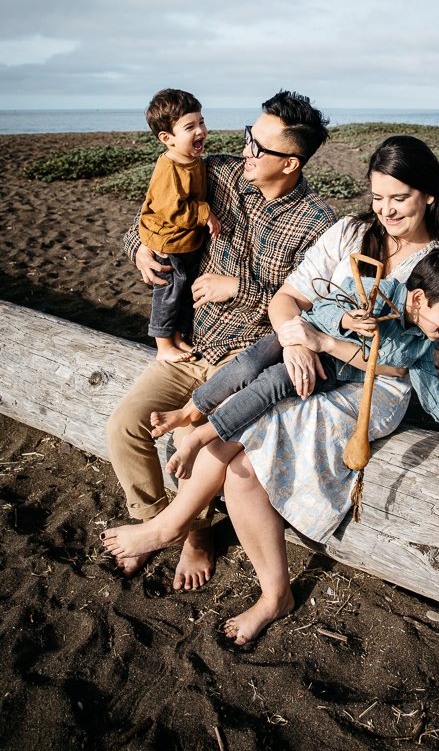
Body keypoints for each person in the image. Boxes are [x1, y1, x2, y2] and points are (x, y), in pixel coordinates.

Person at [103, 134, 439, 641]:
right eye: (378, 197)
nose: (386, 209)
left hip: (372, 386)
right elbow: (290, 299)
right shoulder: (352, 233)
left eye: (399, 198)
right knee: (242, 437)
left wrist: (324, 345)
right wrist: (296, 342)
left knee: (243, 456)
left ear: (429, 196)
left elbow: (407, 367)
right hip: (314, 355)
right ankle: (211, 548)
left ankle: (226, 562)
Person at [106, 91, 336, 590]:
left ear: (290, 162)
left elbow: (313, 312)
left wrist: (242, 288)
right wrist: (140, 249)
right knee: (124, 427)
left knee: (195, 441)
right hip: (193, 345)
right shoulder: (226, 173)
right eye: (248, 138)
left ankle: (193, 535)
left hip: (247, 358)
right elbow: (155, 211)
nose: (244, 149)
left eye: (258, 146)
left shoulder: (318, 224)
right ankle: (165, 524)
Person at [149, 248, 439, 479]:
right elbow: (323, 306)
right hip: (305, 333)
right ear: (419, 298)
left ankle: (200, 436)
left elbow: (431, 391)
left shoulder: (420, 345)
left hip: (331, 370)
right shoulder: (375, 289)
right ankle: (190, 410)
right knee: (247, 365)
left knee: (274, 382)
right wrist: (347, 320)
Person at [139, 89, 221, 363]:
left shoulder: (192, 160)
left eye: (201, 122)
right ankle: (163, 346)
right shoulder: (169, 168)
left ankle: (175, 337)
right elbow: (172, 209)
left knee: (183, 290)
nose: (200, 130)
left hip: (185, 242)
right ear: (167, 139)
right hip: (167, 241)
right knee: (168, 291)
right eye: (190, 127)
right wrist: (204, 212)